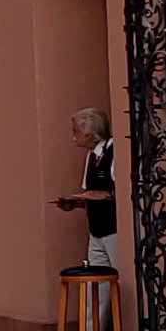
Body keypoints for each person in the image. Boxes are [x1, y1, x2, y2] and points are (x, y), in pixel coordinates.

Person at [55, 107, 117, 267]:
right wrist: (77, 202)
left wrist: (100, 195)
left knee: (121, 277)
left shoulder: (114, 152)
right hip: (96, 231)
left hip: (114, 230)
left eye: (76, 132)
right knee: (96, 284)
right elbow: (89, 194)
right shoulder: (91, 156)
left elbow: (123, 193)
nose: (74, 137)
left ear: (90, 133)